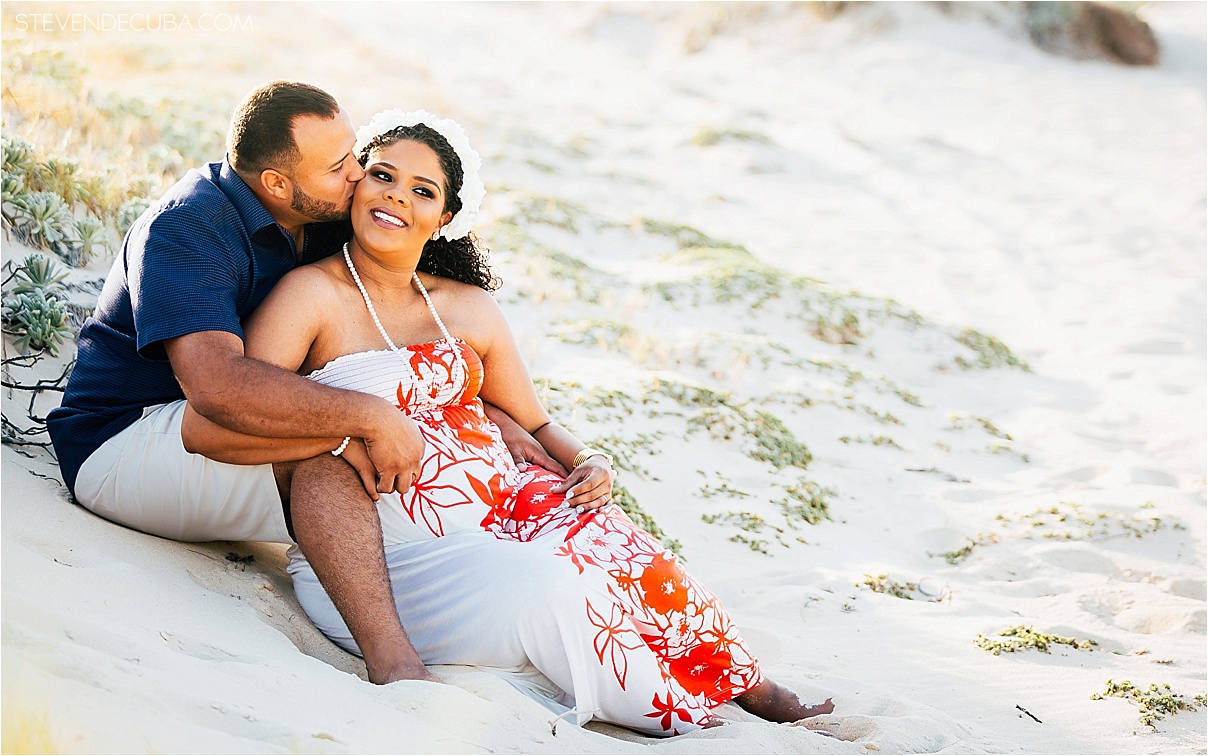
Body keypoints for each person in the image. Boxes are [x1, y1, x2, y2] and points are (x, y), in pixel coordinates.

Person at [181, 108, 835, 736]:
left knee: (636, 561)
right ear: (356, 182)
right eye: (381, 174)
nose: (396, 197)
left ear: (446, 216)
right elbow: (237, 407)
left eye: (422, 189)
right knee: (557, 590)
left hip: (516, 510)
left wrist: (589, 461)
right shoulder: (312, 296)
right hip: (397, 557)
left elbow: (539, 425)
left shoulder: (468, 309)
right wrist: (355, 429)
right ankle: (668, 709)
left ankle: (754, 688)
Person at [45, 81, 555, 686]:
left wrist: (488, 420)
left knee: (423, 459)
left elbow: (376, 345)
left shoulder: (313, 217)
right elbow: (216, 387)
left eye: (354, 153)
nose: (359, 175)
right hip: (130, 443)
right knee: (338, 453)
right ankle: (395, 662)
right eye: (340, 166)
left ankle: (505, 602)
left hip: (220, 428)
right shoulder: (189, 227)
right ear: (278, 185)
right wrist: (367, 418)